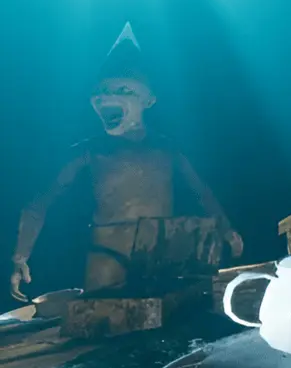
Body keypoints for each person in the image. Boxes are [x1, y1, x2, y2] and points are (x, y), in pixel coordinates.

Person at [9, 23, 242, 300]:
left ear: (149, 100)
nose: (107, 96)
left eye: (123, 90)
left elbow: (201, 192)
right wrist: (20, 256)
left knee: (166, 317)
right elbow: (39, 203)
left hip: (160, 255)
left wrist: (226, 229)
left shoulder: (166, 148)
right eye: (102, 90)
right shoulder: (91, 151)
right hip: (108, 253)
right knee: (104, 317)